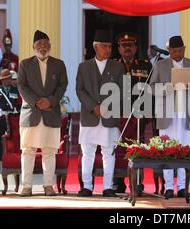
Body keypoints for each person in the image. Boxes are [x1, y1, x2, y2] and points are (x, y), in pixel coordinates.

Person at [149, 35, 190, 198]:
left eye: (180, 50)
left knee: (184, 149)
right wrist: (166, 87)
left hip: (187, 113)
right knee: (167, 149)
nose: (177, 53)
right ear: (169, 51)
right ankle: (168, 186)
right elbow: (151, 87)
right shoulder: (160, 65)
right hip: (167, 112)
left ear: (184, 48)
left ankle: (182, 187)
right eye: (174, 51)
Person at [17, 30, 68, 197]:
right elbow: (21, 86)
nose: (43, 47)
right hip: (31, 113)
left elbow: (62, 85)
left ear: (50, 46)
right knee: (28, 151)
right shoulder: (25, 64)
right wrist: (37, 101)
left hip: (50, 113)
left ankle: (48, 186)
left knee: (49, 151)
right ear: (33, 46)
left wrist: (51, 101)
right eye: (40, 44)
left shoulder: (59, 64)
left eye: (46, 44)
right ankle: (26, 186)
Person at [76, 30, 124, 198]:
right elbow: (80, 90)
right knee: (88, 153)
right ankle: (87, 186)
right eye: (105, 46)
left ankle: (108, 187)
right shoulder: (84, 66)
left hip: (109, 116)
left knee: (108, 152)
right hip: (90, 116)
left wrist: (105, 107)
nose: (108, 50)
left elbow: (121, 90)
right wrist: (93, 106)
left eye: (110, 47)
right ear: (95, 47)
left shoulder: (118, 67)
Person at [113, 32, 152, 194]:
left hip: (138, 114)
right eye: (124, 46)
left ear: (135, 48)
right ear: (119, 49)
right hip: (118, 113)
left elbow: (150, 90)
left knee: (137, 148)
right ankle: (118, 182)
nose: (127, 49)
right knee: (117, 147)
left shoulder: (145, 65)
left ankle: (138, 182)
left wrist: (148, 113)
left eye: (130, 46)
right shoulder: (113, 65)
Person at [0, 69, 20, 173]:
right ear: (2, 80)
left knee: (14, 139)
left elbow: (19, 103)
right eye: (5, 79)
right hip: (0, 118)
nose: (7, 81)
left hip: (12, 118)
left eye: (8, 79)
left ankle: (14, 161)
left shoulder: (15, 90)